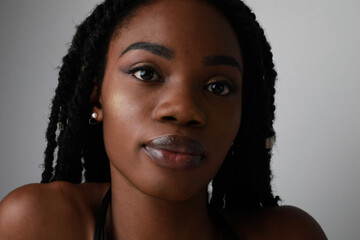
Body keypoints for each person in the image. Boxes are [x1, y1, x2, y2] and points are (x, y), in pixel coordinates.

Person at [0, 0, 327, 239]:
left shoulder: (291, 235)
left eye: (219, 86)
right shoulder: (34, 225)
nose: (184, 110)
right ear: (96, 99)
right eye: (146, 73)